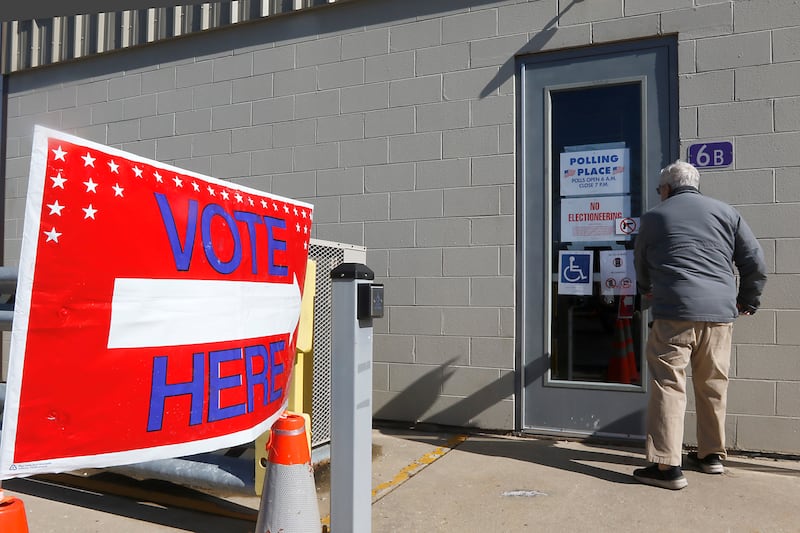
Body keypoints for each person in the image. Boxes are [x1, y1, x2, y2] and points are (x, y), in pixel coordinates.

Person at [632, 160, 767, 490]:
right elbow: (755, 262)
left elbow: (641, 262)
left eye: (659, 189)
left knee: (669, 384)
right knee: (713, 384)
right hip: (719, 314)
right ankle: (710, 457)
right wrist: (748, 299)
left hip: (674, 312)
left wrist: (647, 289)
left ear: (667, 188)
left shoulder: (654, 217)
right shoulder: (726, 213)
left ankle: (667, 467)